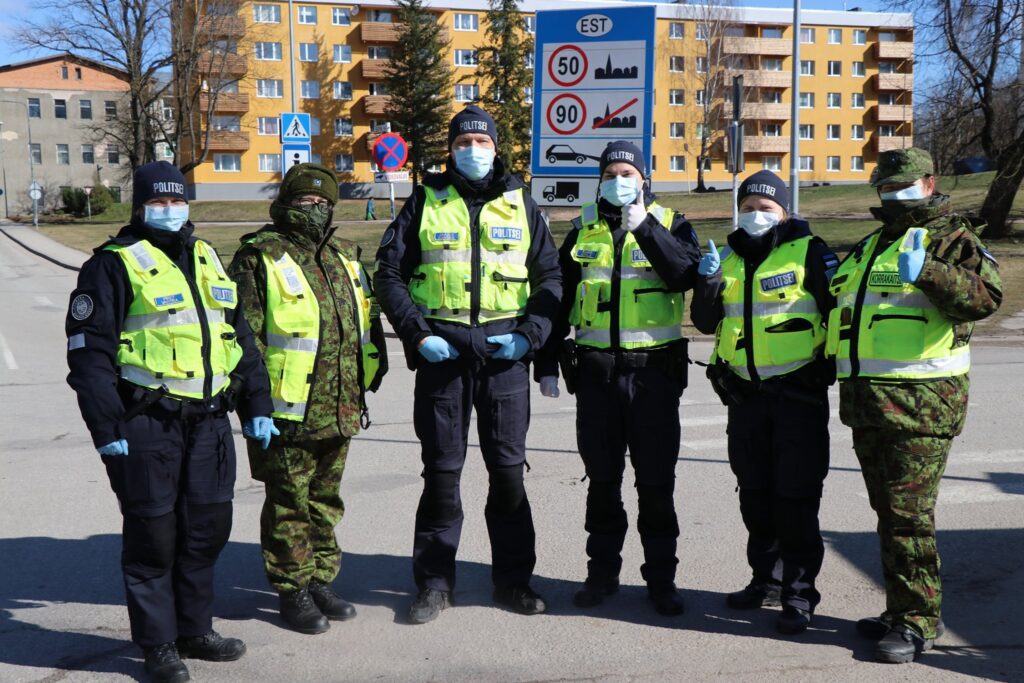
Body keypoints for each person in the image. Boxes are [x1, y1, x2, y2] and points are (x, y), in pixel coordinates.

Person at [65, 161, 277, 683]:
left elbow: (240, 339)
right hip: (146, 424)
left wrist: (258, 406)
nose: (170, 208)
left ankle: (194, 629)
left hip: (208, 423)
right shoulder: (112, 265)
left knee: (206, 531)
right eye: (159, 201)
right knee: (154, 538)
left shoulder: (205, 256)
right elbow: (88, 357)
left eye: (178, 200)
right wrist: (105, 426)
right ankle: (158, 644)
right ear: (140, 206)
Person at [374, 105, 561, 624]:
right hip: (443, 357)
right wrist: (417, 334)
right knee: (441, 476)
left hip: (505, 359)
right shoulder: (423, 201)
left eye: (481, 143)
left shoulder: (521, 203)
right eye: (462, 143)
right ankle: (434, 585)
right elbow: (387, 274)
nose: (472, 151)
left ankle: (514, 582)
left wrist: (529, 338)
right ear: (450, 149)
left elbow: (550, 282)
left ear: (496, 149)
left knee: (507, 477)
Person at [827, 148, 1001, 663]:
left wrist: (929, 270)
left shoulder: (953, 238)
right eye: (884, 185)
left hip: (921, 407)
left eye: (902, 184)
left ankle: (918, 621)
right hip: (869, 404)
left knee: (909, 518)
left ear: (929, 182)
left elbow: (984, 298)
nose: (892, 194)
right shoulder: (870, 244)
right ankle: (902, 608)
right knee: (889, 515)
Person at [535, 141, 701, 616]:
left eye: (627, 172)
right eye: (611, 173)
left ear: (643, 180)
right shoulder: (581, 229)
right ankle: (601, 575)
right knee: (602, 483)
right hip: (597, 378)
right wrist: (546, 364)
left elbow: (684, 275)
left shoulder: (672, 224)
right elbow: (558, 300)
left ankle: (662, 580)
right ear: (600, 182)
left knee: (655, 485)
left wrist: (645, 227)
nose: (618, 180)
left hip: (653, 378)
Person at [228, 163, 388, 634]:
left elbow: (365, 321)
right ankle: (291, 589)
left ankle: (321, 579)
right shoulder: (259, 256)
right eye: (303, 202)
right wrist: (253, 405)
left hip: (340, 406)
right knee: (288, 502)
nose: (313, 209)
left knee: (325, 500)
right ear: (283, 205)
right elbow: (244, 338)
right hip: (285, 410)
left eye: (322, 203)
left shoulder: (343, 254)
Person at [690, 170, 838, 634]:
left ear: (785, 212)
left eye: (766, 207)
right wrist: (708, 282)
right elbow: (703, 321)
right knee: (754, 495)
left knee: (795, 497)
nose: (756, 215)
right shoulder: (730, 258)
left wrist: (824, 370)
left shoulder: (810, 253)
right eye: (748, 206)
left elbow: (837, 313)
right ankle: (766, 581)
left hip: (797, 395)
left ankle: (798, 593)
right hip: (745, 397)